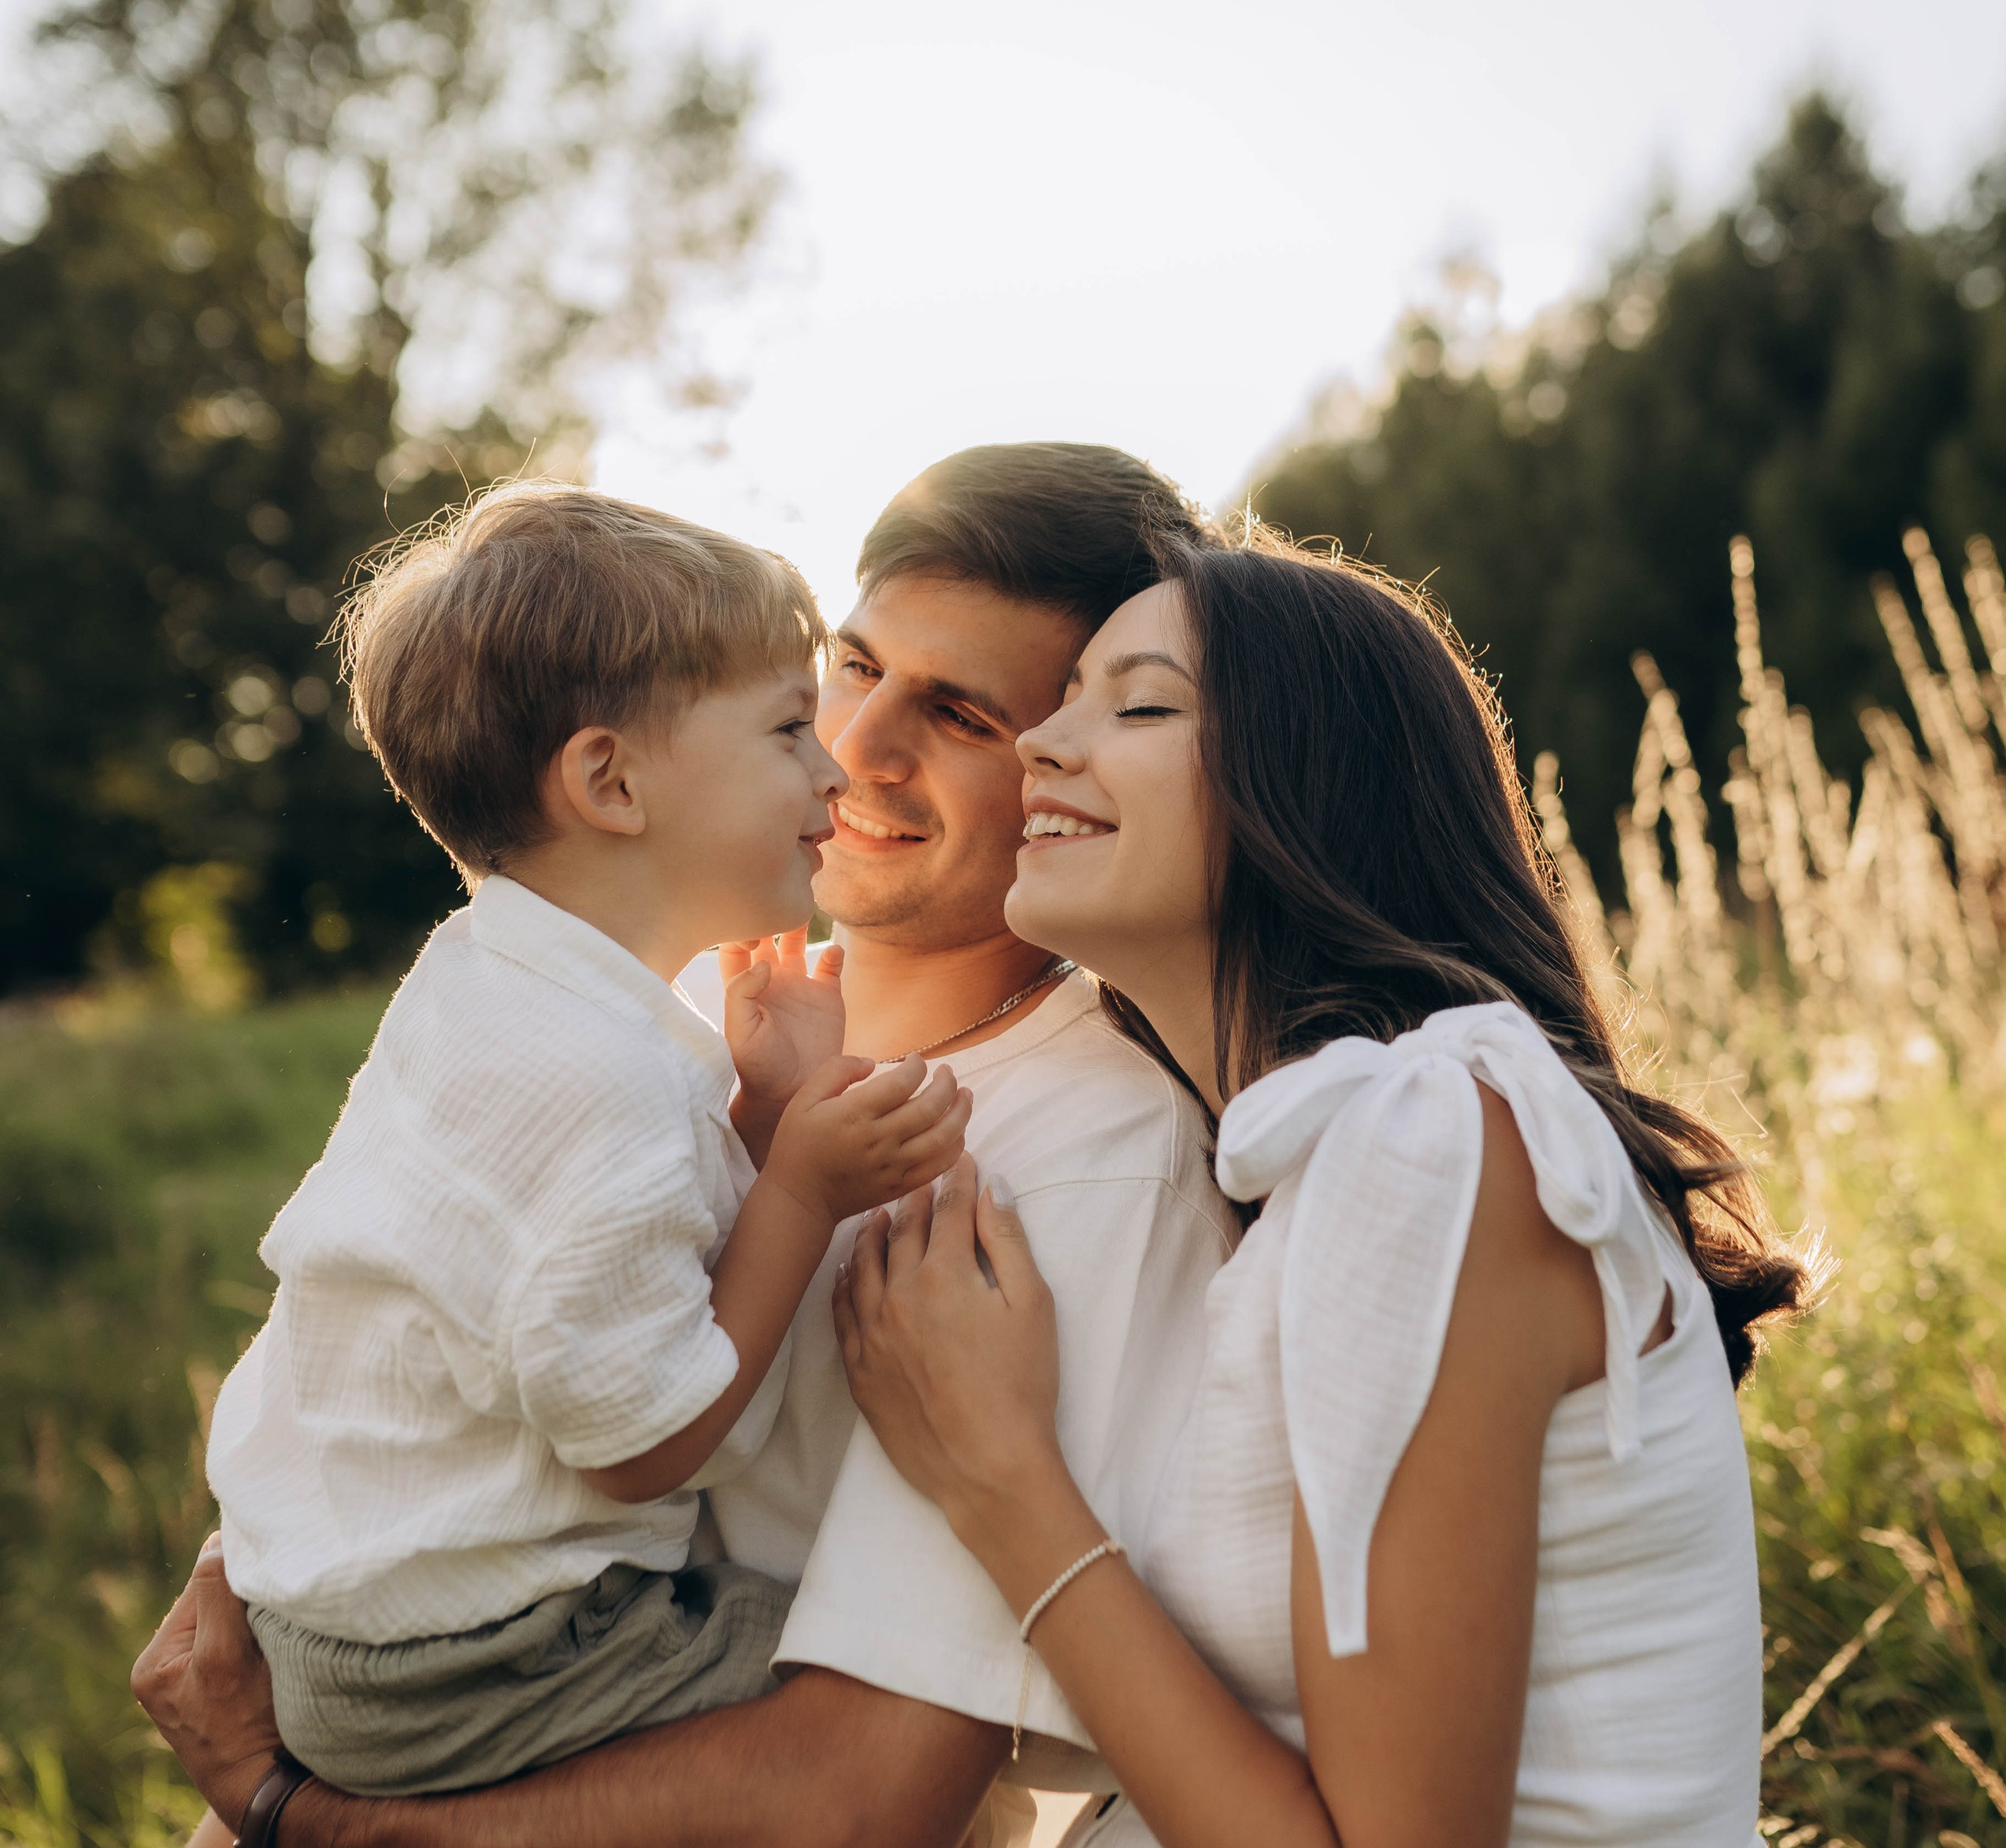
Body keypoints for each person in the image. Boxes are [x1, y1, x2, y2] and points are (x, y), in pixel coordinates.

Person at [135, 445, 1238, 1847]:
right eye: (851, 666)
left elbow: (852, 1795)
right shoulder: (657, 1008)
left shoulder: (1083, 1157)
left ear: (1069, 767)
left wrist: (291, 1811)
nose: (856, 751)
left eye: (961, 715)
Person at [834, 531, 1811, 1846]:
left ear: (1311, 782)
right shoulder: (1323, 1165)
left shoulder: (1439, 1135)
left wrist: (1000, 1480)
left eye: (1140, 703)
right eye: (1062, 702)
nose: (1042, 747)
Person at [205, 483, 974, 1799]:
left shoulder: (494, 983)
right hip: (471, 1656)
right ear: (611, 780)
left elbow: (585, 1266)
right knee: (886, 1680)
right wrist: (802, 1184)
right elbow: (639, 1439)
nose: (834, 767)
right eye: (791, 727)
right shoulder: (593, 1073)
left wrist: (757, 1115)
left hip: (339, 1607)